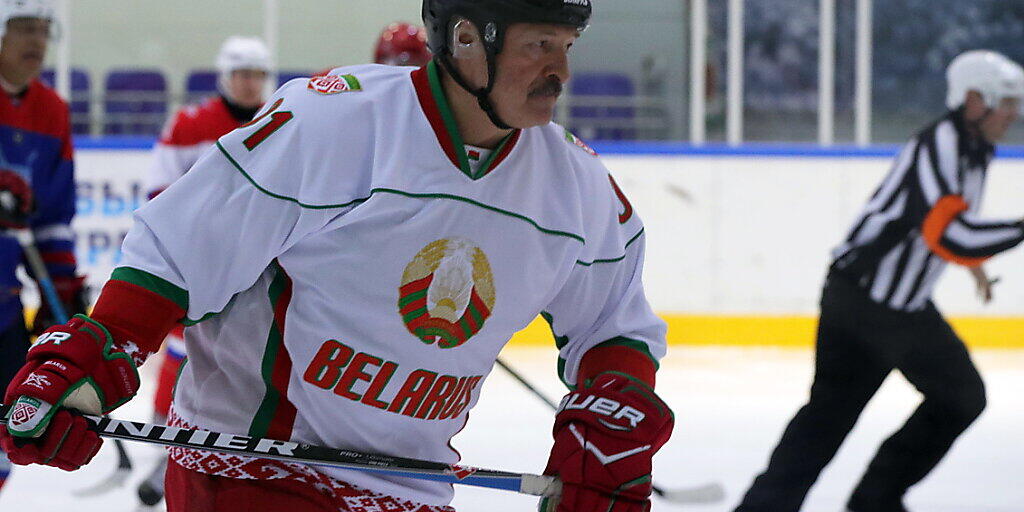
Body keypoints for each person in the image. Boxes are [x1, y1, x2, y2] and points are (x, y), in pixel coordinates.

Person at [0, 1, 675, 512]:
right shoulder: (337, 123)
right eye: (538, 45)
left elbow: (615, 323)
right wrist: (88, 359)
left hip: (414, 488)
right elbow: (179, 251)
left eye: (565, 46)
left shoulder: (575, 187)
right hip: (255, 472)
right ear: (468, 39)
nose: (558, 69)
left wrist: (610, 421)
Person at [734, 50, 1024, 512]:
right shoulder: (940, 145)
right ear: (974, 99)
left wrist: (973, 264)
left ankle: (876, 497)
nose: (1015, 112)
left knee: (961, 398)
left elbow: (946, 225)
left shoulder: (974, 149)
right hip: (861, 306)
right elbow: (952, 234)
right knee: (828, 422)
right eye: (1007, 102)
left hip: (905, 309)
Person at [134, 35, 271, 508]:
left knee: (251, 360)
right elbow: (159, 193)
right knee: (179, 356)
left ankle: (235, 452)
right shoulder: (190, 124)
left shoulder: (280, 123)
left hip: (260, 270)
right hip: (197, 266)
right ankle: (163, 447)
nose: (250, 83)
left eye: (258, 74)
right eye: (243, 73)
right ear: (225, 76)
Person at [0, 0, 85, 496]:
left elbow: (51, 221)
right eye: (23, 28)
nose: (36, 41)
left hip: (5, 309)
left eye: (43, 30)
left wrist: (66, 293)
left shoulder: (52, 113)